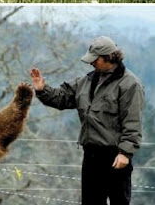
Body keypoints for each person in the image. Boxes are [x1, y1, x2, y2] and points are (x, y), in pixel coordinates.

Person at [30, 36, 144, 205]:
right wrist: (42, 89)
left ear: (108, 58)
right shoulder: (86, 81)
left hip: (115, 157)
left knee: (119, 202)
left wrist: (125, 153)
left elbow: (133, 122)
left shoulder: (130, 84)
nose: (91, 63)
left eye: (95, 59)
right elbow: (62, 98)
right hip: (91, 156)